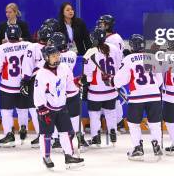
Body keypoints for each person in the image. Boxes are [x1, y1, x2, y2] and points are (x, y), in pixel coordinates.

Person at [34, 40, 84, 169]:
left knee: (66, 132)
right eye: (53, 56)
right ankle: (46, 156)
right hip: (47, 108)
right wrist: (41, 109)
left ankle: (69, 156)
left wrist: (78, 83)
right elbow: (38, 94)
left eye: (57, 55)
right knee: (46, 134)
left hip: (61, 106)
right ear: (46, 58)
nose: (57, 57)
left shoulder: (64, 68)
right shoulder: (41, 74)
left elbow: (70, 86)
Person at [113, 34, 164, 160]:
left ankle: (138, 148)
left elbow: (120, 80)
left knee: (133, 123)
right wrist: (150, 89)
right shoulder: (152, 57)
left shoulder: (128, 59)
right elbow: (159, 80)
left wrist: (114, 82)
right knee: (155, 123)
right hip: (154, 96)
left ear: (131, 46)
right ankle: (157, 145)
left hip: (137, 97)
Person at [0, 24, 33, 147]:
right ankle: (23, 128)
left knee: (6, 111)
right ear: (20, 34)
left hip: (8, 84)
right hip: (23, 83)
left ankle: (9, 134)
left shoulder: (2, 48)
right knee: (23, 109)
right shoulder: (28, 45)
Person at [82, 28, 123, 146]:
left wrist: (84, 81)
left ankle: (96, 138)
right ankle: (113, 134)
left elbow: (88, 76)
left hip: (96, 91)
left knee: (94, 115)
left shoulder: (90, 52)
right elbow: (120, 65)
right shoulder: (114, 48)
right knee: (111, 113)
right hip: (111, 89)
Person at [20, 24, 54, 146]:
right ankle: (54, 135)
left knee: (35, 106)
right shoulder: (55, 46)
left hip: (37, 79)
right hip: (53, 79)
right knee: (53, 106)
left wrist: (25, 80)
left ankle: (42, 134)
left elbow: (27, 65)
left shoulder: (32, 47)